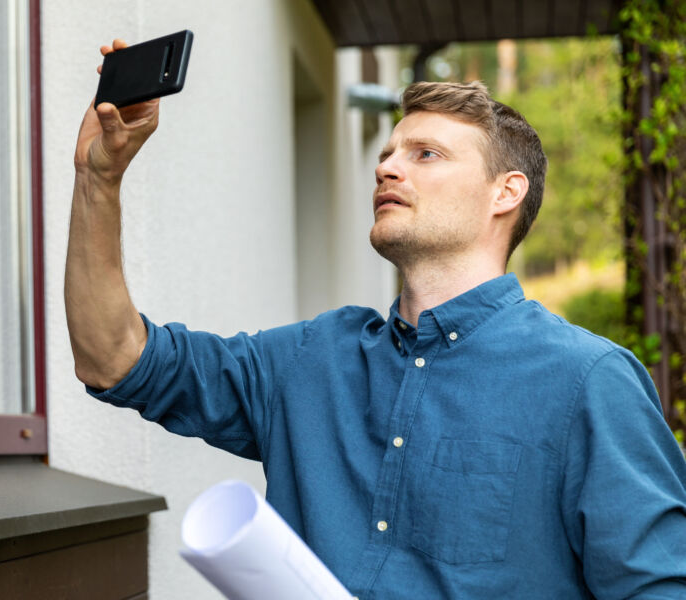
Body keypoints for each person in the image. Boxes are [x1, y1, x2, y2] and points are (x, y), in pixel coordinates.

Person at [65, 39, 686, 598]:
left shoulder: (588, 380)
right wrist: (100, 179)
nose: (389, 167)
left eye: (427, 154)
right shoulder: (311, 358)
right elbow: (115, 358)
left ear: (506, 192)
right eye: (389, 153)